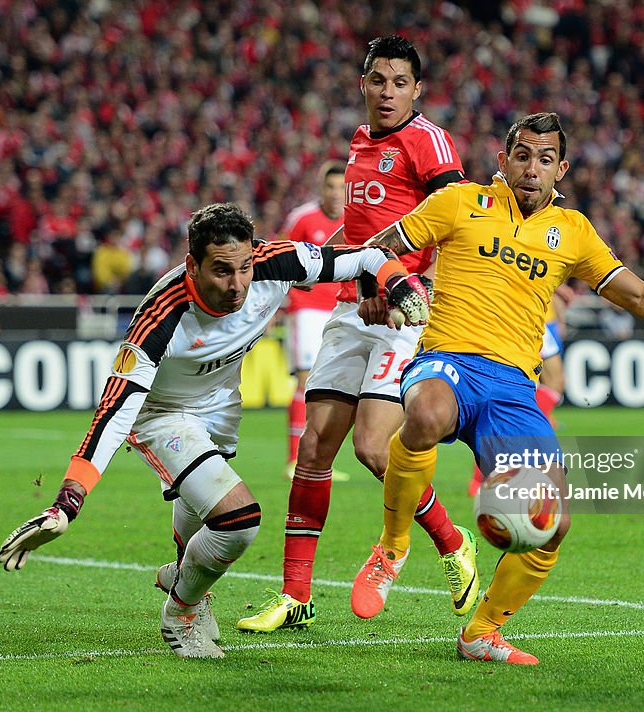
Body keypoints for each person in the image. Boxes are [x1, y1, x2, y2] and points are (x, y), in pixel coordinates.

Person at [349, 112, 644, 664]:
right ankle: (392, 545)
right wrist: (384, 285)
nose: (532, 168)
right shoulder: (459, 202)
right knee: (427, 415)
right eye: (522, 156)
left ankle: (481, 632)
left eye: (545, 158)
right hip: (448, 359)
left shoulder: (572, 231)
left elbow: (640, 296)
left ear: (562, 168)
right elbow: (379, 247)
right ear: (502, 162)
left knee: (553, 523)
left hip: (512, 387)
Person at [0, 202, 431, 659]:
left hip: (221, 403)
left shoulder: (276, 262)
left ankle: (186, 575)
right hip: (162, 413)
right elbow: (113, 412)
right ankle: (181, 610)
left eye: (244, 268)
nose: (238, 284)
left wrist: (397, 282)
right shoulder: (160, 317)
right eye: (222, 271)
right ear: (193, 265)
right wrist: (68, 503)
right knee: (236, 522)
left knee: (201, 505)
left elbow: (366, 256)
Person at [238, 35, 476, 633]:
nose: (388, 92)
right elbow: (366, 224)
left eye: (400, 82)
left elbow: (460, 223)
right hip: (352, 305)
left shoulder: (428, 140)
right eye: (378, 81)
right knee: (315, 448)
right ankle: (296, 596)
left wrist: (425, 293)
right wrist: (334, 258)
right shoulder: (359, 142)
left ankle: (451, 543)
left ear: (417, 89)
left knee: (372, 447)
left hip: (403, 306)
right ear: (363, 85)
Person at [276, 160, 345, 479]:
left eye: (340, 187)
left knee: (330, 386)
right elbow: (281, 256)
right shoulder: (302, 218)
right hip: (305, 307)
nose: (335, 194)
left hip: (340, 309)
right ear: (321, 188)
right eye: (329, 187)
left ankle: (319, 461)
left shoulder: (354, 219)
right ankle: (294, 459)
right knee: (304, 381)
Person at [467, 286, 571, 496]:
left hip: (530, 315)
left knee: (552, 384)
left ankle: (488, 477)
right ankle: (486, 476)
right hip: (518, 315)